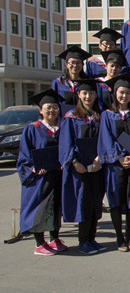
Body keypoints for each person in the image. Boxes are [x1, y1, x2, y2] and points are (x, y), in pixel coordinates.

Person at [17, 90, 66, 256]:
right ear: (40, 110)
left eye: (55, 107)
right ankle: (39, 242)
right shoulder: (32, 129)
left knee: (56, 206)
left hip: (58, 174)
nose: (52, 111)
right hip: (41, 177)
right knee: (41, 207)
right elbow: (24, 154)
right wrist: (33, 167)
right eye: (48, 108)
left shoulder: (63, 127)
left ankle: (54, 238)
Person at [58, 79, 105, 254]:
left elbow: (105, 140)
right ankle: (83, 240)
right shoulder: (71, 117)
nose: (88, 96)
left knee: (96, 204)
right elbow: (66, 142)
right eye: (85, 93)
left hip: (97, 167)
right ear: (79, 95)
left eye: (91, 93)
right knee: (83, 204)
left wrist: (99, 159)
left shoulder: (100, 116)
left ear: (96, 95)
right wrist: (74, 162)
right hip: (80, 169)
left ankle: (92, 238)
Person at [97, 74, 130, 251]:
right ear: (115, 94)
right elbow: (106, 138)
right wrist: (120, 156)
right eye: (121, 93)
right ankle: (119, 237)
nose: (124, 96)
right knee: (115, 199)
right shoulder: (107, 115)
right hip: (115, 165)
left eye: (128, 93)